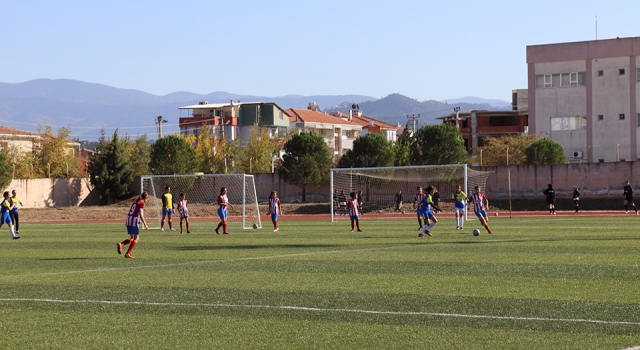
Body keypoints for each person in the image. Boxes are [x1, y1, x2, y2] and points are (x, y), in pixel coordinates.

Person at [117, 192, 149, 258]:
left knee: (132, 238)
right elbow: (141, 214)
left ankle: (121, 244)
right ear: (146, 198)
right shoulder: (142, 203)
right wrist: (145, 224)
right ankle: (127, 253)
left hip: (129, 219)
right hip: (133, 221)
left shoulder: (135, 202)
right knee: (137, 238)